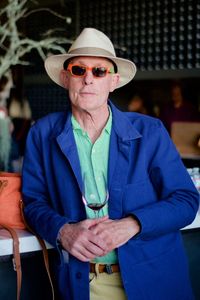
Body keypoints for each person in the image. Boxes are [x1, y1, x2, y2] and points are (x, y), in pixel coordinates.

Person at [22, 28, 199, 300]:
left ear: (113, 81)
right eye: (79, 70)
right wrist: (63, 230)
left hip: (153, 281)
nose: (88, 79)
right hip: (81, 285)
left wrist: (132, 224)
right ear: (65, 77)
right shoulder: (42, 134)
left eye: (99, 71)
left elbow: (186, 200)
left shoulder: (150, 131)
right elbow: (33, 202)